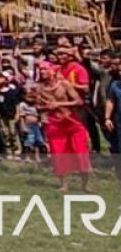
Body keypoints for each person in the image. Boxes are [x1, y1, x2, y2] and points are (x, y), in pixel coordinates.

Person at [36, 60, 90, 192]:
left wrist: (59, 105)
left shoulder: (64, 84)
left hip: (72, 122)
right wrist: (45, 107)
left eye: (45, 69)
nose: (42, 72)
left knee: (80, 152)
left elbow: (78, 101)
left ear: (53, 71)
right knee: (59, 154)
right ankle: (64, 185)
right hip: (55, 124)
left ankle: (86, 185)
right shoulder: (40, 88)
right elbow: (38, 107)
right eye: (40, 70)